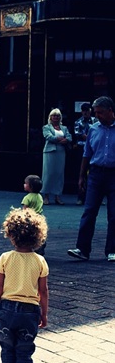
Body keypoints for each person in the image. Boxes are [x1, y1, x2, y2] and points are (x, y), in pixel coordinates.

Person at [0, 207, 49, 363]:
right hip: (29, 310)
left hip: (6, 308)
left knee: (7, 347)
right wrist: (44, 314)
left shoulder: (5, 258)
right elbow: (43, 291)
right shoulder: (40, 261)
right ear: (38, 236)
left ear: (11, 235)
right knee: (24, 350)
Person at [68, 96, 115, 262]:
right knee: (89, 212)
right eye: (96, 112)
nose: (97, 116)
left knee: (113, 214)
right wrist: (81, 176)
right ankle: (82, 249)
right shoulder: (94, 129)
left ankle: (112, 250)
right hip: (95, 174)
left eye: (100, 112)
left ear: (110, 111)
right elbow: (87, 154)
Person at [41, 108, 72, 205]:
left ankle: (57, 196)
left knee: (59, 174)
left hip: (61, 152)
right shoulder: (46, 127)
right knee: (48, 173)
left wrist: (66, 140)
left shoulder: (64, 128)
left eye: (58, 115)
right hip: (50, 152)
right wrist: (60, 139)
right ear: (50, 117)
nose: (56, 117)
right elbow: (48, 136)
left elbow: (69, 137)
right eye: (54, 115)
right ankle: (46, 196)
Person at [74, 103, 96, 205]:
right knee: (81, 173)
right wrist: (90, 137)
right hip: (81, 148)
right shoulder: (78, 122)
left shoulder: (96, 121)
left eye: (87, 110)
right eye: (84, 110)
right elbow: (79, 134)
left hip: (93, 149)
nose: (86, 112)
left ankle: (95, 196)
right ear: (82, 111)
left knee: (93, 172)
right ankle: (80, 197)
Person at [21, 175, 45, 255]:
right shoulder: (40, 197)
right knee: (37, 233)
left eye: (25, 183)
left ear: (30, 186)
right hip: (38, 218)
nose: (24, 185)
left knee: (29, 234)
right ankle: (40, 246)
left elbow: (25, 209)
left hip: (29, 219)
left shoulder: (27, 198)